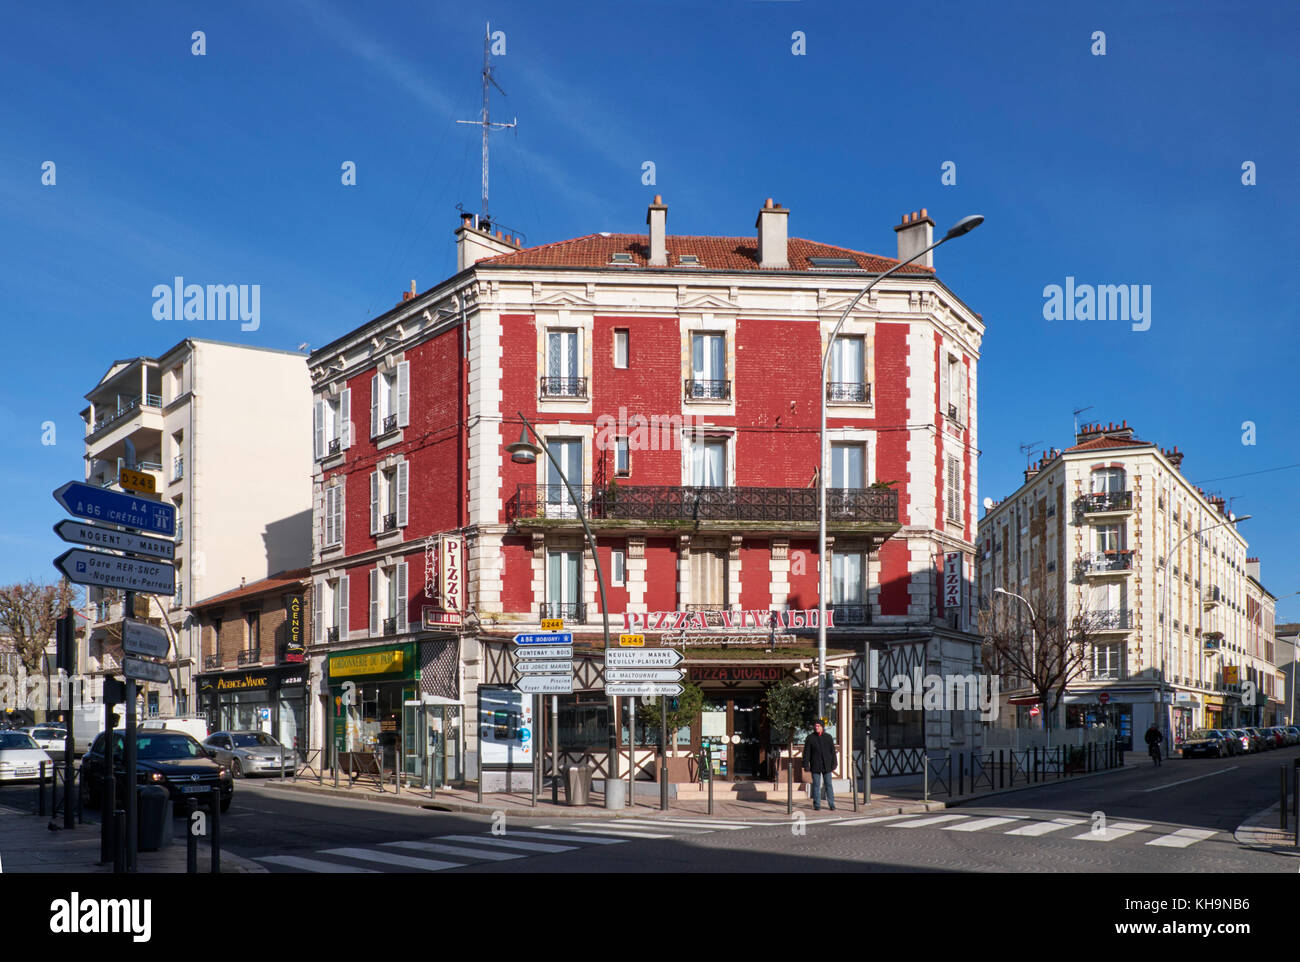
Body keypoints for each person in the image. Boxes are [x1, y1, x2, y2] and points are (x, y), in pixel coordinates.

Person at [803, 720, 837, 811]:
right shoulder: (810, 738)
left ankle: (831, 804)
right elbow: (806, 753)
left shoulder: (828, 737)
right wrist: (806, 764)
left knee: (828, 784)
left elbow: (832, 752)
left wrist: (834, 763)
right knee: (816, 785)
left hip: (827, 765)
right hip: (815, 765)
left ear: (822, 727)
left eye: (818, 726)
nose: (816, 727)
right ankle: (817, 804)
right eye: (815, 726)